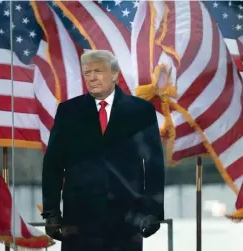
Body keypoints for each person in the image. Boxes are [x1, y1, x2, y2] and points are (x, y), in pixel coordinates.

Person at [41, 49, 165, 251]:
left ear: (115, 74)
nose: (92, 78)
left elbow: (154, 165)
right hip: (78, 220)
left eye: (98, 71)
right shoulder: (68, 111)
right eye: (87, 73)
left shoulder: (141, 111)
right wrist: (51, 212)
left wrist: (153, 211)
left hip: (126, 220)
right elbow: (53, 165)